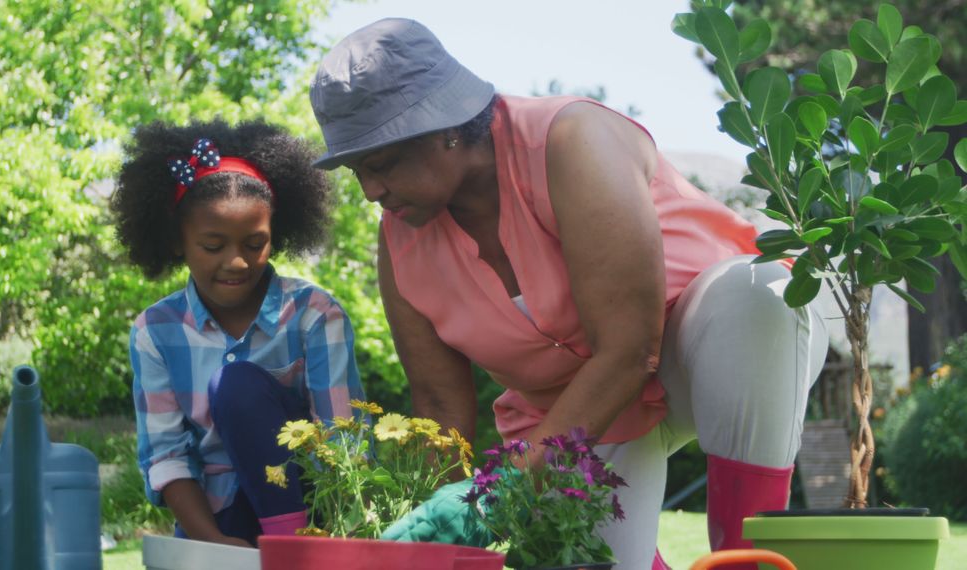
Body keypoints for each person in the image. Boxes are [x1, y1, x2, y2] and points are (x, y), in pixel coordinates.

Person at [308, 18, 829, 570]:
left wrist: (503, 489)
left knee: (756, 294)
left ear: (446, 127)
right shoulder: (400, 242)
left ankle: (747, 562)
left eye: (381, 163)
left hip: (709, 350)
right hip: (580, 415)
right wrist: (439, 536)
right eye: (355, 170)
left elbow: (632, 351)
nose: (370, 191)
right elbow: (439, 408)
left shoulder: (570, 140)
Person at [110, 119, 365, 547]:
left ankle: (291, 545)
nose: (237, 262)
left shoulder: (315, 315)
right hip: (216, 523)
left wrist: (334, 540)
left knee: (236, 385)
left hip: (312, 512)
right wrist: (212, 543)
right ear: (178, 241)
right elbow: (168, 456)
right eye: (213, 246)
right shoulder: (156, 331)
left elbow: (343, 441)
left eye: (254, 244)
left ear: (275, 236)